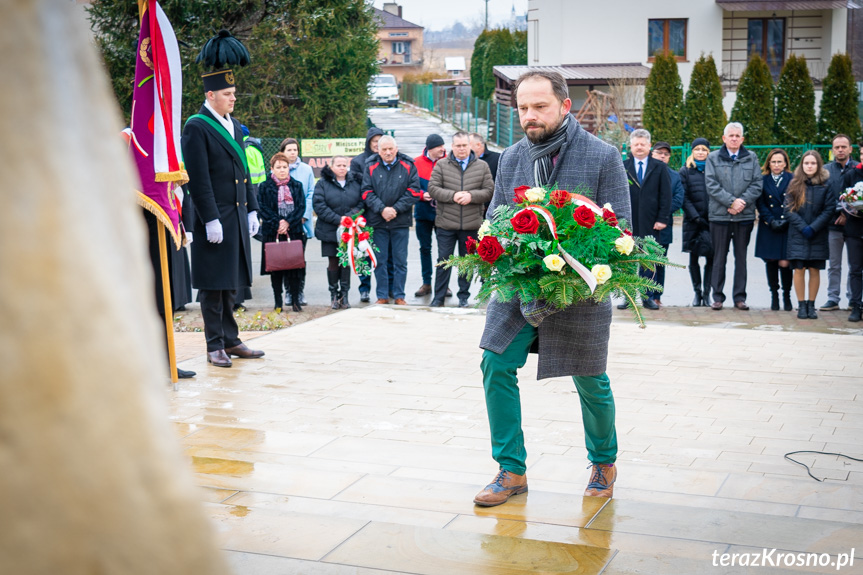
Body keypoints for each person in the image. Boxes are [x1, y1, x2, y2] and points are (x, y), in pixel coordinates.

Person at [474, 70, 630, 507]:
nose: (530, 115)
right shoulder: (510, 158)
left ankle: (603, 461)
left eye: (539, 106)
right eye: (523, 107)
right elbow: (500, 220)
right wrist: (503, 253)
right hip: (520, 287)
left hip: (579, 291)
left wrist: (575, 257)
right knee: (494, 362)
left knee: (590, 379)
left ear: (564, 106)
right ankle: (511, 470)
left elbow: (624, 233)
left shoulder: (602, 156)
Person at [182, 65, 264, 368]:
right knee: (213, 285)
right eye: (227, 94)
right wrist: (210, 218)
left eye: (234, 94)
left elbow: (244, 172)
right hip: (214, 219)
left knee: (232, 283)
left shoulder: (233, 123)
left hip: (237, 215)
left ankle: (231, 339)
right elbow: (198, 178)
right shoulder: (197, 126)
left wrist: (252, 206)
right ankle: (213, 344)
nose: (233, 99)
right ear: (210, 95)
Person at [427, 131, 494, 307]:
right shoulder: (441, 165)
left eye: (464, 145)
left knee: (467, 263)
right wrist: (453, 195)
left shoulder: (482, 166)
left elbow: (489, 190)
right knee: (443, 261)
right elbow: (433, 188)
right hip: (446, 224)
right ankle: (438, 297)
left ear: (469, 146)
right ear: (452, 146)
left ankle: (463, 297)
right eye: (458, 146)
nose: (461, 149)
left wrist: (471, 196)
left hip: (472, 224)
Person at [705, 122, 762, 310]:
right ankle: (718, 297)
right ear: (724, 138)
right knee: (719, 257)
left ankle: (739, 298)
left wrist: (741, 203)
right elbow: (711, 184)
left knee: (741, 258)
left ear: (742, 139)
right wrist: (730, 202)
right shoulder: (713, 158)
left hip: (743, 217)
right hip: (719, 217)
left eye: (738, 136)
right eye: (731, 135)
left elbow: (756, 184)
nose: (734, 138)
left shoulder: (751, 158)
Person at [361, 135, 421, 305]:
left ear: (396, 148)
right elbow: (366, 191)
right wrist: (382, 209)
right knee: (380, 261)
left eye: (390, 149)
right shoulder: (370, 166)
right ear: (378, 150)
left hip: (400, 222)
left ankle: (399, 295)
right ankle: (382, 296)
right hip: (377, 221)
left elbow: (414, 191)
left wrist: (395, 209)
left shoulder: (408, 165)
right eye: (384, 149)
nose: (388, 152)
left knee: (400, 261)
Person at [619, 129, 671, 311]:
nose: (639, 147)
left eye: (643, 144)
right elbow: (617, 194)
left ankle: (647, 296)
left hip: (651, 221)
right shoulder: (622, 166)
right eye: (636, 144)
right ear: (630, 147)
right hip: (628, 221)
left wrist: (662, 218)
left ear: (649, 146)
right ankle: (627, 297)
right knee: (626, 260)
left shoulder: (660, 167)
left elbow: (666, 195)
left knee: (648, 260)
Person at [784, 150, 835, 319]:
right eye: (807, 163)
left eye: (813, 163)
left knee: (814, 270)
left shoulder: (826, 185)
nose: (810, 166)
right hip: (798, 235)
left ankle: (811, 305)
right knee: (799, 270)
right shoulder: (794, 184)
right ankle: (801, 305)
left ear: (818, 165)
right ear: (802, 165)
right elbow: (789, 209)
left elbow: (829, 210)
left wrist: (813, 227)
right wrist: (803, 227)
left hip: (817, 234)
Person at [258, 152, 306, 312]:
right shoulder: (264, 187)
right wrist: (278, 222)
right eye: (278, 167)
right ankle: (278, 301)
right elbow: (262, 208)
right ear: (272, 169)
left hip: (294, 231)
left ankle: (295, 300)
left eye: (285, 167)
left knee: (294, 268)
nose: (282, 170)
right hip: (273, 232)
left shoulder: (297, 185)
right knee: (276, 268)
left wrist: (287, 222)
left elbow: (300, 207)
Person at [314, 156, 363, 309]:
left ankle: (345, 295)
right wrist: (338, 219)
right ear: (331, 166)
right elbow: (319, 205)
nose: (342, 168)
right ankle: (334, 294)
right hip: (329, 230)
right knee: (333, 262)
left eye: (344, 165)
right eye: (339, 165)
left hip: (350, 230)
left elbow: (362, 202)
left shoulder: (355, 182)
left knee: (346, 262)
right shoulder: (322, 184)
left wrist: (350, 217)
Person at [820, 134, 856, 311]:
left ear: (850, 149)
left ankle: (853, 298)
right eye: (837, 147)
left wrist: (846, 214)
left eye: (844, 147)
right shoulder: (825, 170)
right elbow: (824, 197)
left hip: (855, 225)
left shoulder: (859, 168)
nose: (840, 150)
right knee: (834, 264)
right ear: (832, 150)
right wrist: (838, 212)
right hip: (833, 225)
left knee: (855, 265)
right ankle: (833, 298)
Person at [755, 149, 794, 311]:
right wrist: (770, 220)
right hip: (768, 224)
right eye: (773, 162)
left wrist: (785, 220)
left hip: (787, 224)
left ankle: (786, 295)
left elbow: (795, 200)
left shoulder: (792, 179)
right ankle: (774, 295)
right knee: (771, 260)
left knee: (785, 262)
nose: (776, 165)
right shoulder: (762, 180)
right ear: (769, 163)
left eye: (780, 161)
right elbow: (760, 202)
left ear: (785, 163)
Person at [279, 137, 315, 306]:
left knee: (299, 258)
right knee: (285, 259)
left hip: (300, 222)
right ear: (283, 152)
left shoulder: (307, 170)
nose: (293, 153)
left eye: (295, 150)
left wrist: (303, 216)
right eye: (289, 150)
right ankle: (288, 292)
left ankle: (299, 291)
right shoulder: (279, 169)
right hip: (282, 224)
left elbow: (310, 194)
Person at [649, 141, 685, 307]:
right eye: (659, 152)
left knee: (660, 262)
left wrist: (661, 213)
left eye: (666, 154)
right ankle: (643, 294)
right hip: (644, 223)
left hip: (664, 225)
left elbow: (678, 199)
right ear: (652, 153)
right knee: (643, 260)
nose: (662, 156)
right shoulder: (645, 172)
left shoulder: (674, 176)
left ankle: (657, 295)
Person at [351, 127, 384, 304]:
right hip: (363, 214)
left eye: (380, 141)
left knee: (381, 255)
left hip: (380, 213)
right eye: (374, 142)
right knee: (363, 253)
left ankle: (386, 289)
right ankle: (364, 289)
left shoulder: (387, 160)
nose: (377, 145)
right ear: (369, 143)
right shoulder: (358, 162)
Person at [413, 134, 447, 298]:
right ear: (430, 148)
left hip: (445, 214)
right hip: (423, 213)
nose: (443, 149)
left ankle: (444, 285)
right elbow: (410, 186)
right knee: (425, 249)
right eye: (439, 146)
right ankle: (426, 283)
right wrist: (421, 195)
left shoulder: (449, 162)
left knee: (445, 252)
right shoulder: (416, 163)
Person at [679, 138, 713, 306]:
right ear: (692, 151)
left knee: (711, 258)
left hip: (712, 221)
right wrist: (696, 217)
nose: (701, 152)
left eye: (704, 149)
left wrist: (710, 217)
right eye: (697, 149)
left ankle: (707, 294)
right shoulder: (685, 171)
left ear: (708, 152)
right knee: (694, 259)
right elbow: (683, 197)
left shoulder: (714, 170)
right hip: (693, 222)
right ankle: (697, 293)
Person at [841, 163, 863, 322]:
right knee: (855, 269)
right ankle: (856, 306)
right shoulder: (851, 174)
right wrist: (850, 202)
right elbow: (842, 197)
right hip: (854, 229)